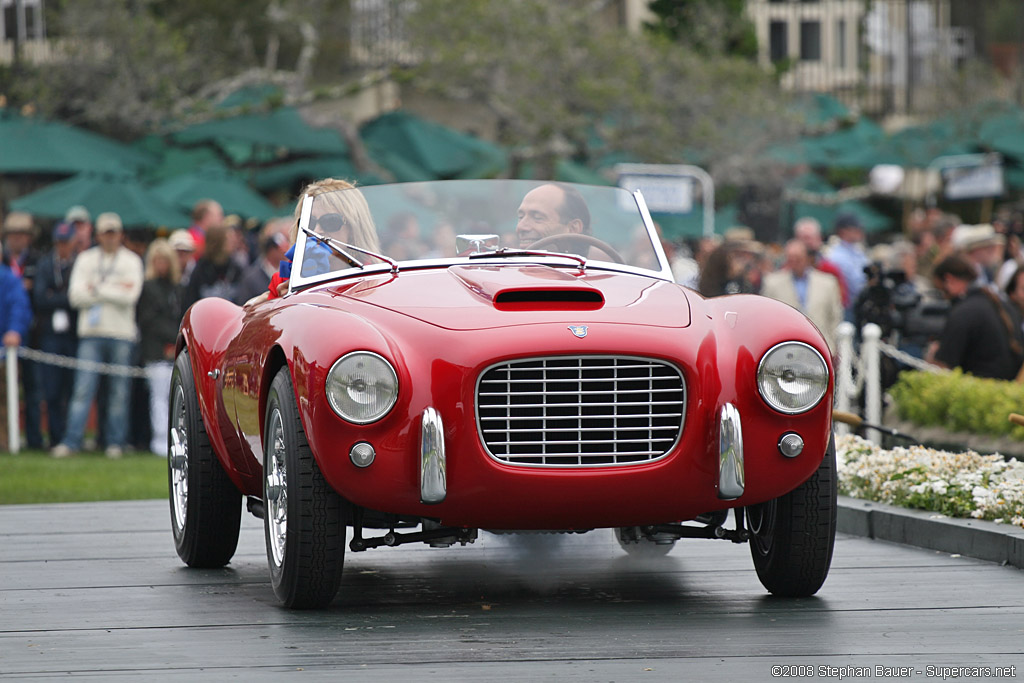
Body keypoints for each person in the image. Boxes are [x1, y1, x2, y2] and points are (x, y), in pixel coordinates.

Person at [51, 212, 144, 459]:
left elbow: (131, 296)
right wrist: (114, 289)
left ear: (120, 235)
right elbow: (75, 297)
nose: (110, 237)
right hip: (91, 333)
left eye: (114, 233)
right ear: (98, 235)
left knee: (118, 393)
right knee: (83, 390)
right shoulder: (86, 259)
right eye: (106, 233)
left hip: (121, 334)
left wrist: (96, 289)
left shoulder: (132, 261)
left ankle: (115, 442)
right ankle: (71, 441)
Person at [926, 253, 1024, 381]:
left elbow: (941, 368)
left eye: (941, 291)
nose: (944, 298)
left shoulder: (963, 312)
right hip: (1008, 393)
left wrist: (932, 355)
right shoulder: (1003, 305)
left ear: (949, 280)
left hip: (976, 393)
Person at [33, 222, 79, 448]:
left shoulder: (79, 264)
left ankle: (69, 437)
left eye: (66, 242)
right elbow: (40, 298)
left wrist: (56, 295)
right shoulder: (45, 265)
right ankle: (54, 436)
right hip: (50, 335)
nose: (62, 247)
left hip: (72, 335)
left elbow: (77, 299)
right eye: (59, 242)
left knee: (71, 388)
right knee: (51, 389)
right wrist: (64, 297)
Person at [136, 239, 182, 456]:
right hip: (155, 350)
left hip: (174, 350)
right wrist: (170, 339)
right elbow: (148, 321)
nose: (162, 265)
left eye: (165, 260)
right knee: (158, 398)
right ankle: (159, 441)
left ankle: (175, 440)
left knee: (174, 398)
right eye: (158, 260)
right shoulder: (147, 288)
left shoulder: (178, 288)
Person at [2, 210, 43, 449]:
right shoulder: (4, 261)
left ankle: (34, 439)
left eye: (21, 234)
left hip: (34, 336)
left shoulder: (38, 260)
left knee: (33, 391)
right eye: (13, 234)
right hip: (7, 337)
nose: (17, 238)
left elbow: (37, 297)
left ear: (28, 237)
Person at [760, 239, 843, 354]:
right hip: (785, 348)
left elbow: (835, 317)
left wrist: (834, 346)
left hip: (821, 346)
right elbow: (766, 317)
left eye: (798, 259)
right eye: (791, 259)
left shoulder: (828, 283)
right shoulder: (772, 282)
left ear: (807, 258)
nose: (794, 262)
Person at [0, 238, 32, 452]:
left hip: (3, 352)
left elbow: (19, 308)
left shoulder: (9, 279)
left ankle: (4, 440)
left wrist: (14, 331)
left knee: (3, 399)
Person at [183, 221, 243, 309]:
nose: (233, 242)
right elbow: (190, 301)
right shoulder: (201, 269)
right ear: (217, 242)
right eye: (228, 239)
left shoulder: (236, 269)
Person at [793, 216, 849, 308]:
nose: (807, 242)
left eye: (810, 238)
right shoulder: (787, 269)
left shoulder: (830, 269)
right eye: (804, 238)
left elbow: (841, 300)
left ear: (819, 239)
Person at [515, 183, 590, 249]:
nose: (521, 227)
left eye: (537, 217)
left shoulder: (593, 264)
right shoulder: (507, 262)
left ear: (573, 228)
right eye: (520, 217)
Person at [825, 212, 871, 320]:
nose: (860, 232)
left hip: (859, 306)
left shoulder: (857, 251)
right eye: (855, 229)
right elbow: (856, 283)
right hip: (847, 307)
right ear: (843, 231)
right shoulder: (835, 255)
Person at [236, 230, 289, 304]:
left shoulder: (288, 273)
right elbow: (243, 303)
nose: (286, 253)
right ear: (271, 251)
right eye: (281, 250)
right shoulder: (251, 277)